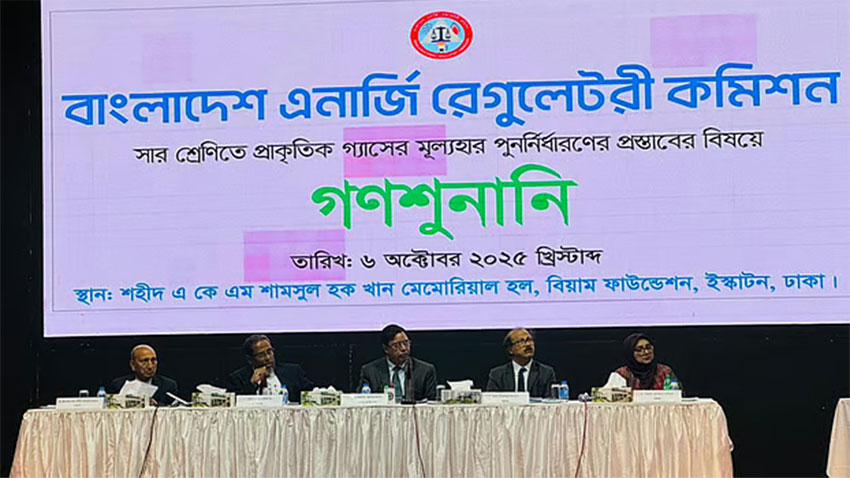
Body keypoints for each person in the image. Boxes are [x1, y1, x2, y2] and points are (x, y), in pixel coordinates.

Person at [358, 324, 437, 402]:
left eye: (406, 343)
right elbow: (361, 401)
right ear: (386, 349)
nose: (404, 348)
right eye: (396, 345)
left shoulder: (425, 371)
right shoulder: (370, 372)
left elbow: (432, 403)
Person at [226, 334, 315, 399]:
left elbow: (311, 395)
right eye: (261, 355)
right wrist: (251, 385)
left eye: (269, 352)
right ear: (250, 359)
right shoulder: (238, 379)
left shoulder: (293, 372)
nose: (268, 358)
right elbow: (234, 405)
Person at [486, 328, 557, 397]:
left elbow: (551, 401)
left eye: (529, 340)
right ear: (510, 349)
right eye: (521, 341)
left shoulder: (546, 373)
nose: (528, 344)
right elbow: (491, 401)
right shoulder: (497, 375)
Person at [108, 344, 179, 406]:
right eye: (144, 361)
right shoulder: (118, 385)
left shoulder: (168, 386)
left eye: (153, 360)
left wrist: (157, 405)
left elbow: (175, 408)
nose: (150, 366)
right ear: (133, 365)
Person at [613, 333, 679, 390]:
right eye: (639, 349)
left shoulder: (665, 371)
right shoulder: (621, 374)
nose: (646, 352)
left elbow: (678, 395)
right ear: (630, 353)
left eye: (648, 347)